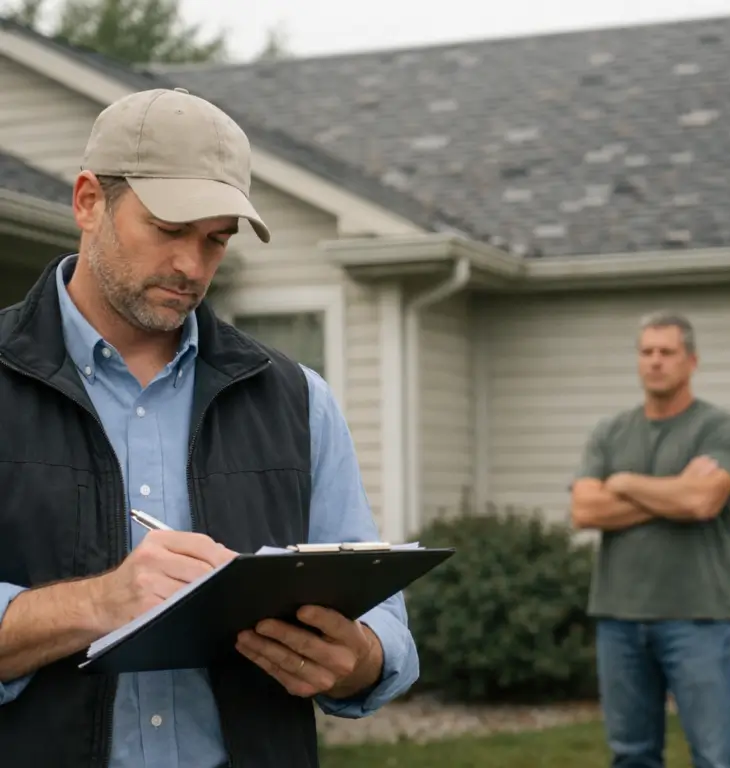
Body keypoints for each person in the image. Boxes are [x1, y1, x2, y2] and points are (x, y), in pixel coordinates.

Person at [0, 87, 418, 768]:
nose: (193, 267)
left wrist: (357, 659)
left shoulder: (298, 400)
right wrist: (100, 603)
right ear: (87, 201)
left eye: (215, 240)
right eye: (168, 230)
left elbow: (384, 631)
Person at [570, 310, 730, 768]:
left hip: (698, 618)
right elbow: (585, 510)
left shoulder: (718, 428)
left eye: (667, 352)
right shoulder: (610, 431)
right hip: (619, 618)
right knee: (631, 756)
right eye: (646, 352)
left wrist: (625, 483)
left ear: (691, 361)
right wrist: (674, 489)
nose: (655, 361)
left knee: (717, 756)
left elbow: (702, 504)